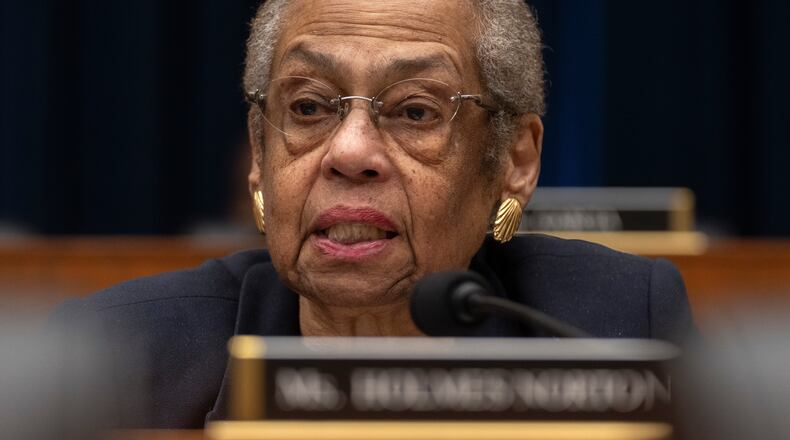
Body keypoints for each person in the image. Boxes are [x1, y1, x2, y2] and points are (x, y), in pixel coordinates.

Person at [53, 0, 695, 428]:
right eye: (308, 107)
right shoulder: (117, 361)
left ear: (514, 161)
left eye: (415, 111)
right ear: (259, 150)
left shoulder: (616, 324)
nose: (351, 152)